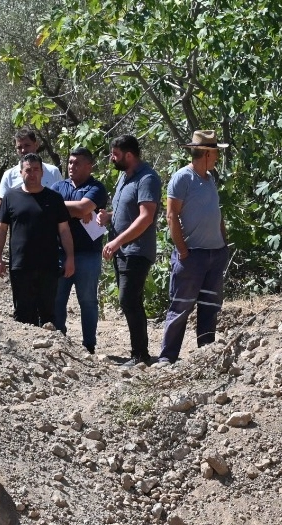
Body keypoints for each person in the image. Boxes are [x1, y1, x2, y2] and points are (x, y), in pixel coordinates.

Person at [159, 130, 230, 363]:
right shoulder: (182, 178)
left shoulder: (210, 179)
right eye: (215, 152)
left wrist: (224, 243)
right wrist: (182, 250)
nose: (217, 157)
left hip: (215, 254)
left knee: (210, 306)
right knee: (181, 307)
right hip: (192, 256)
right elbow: (171, 215)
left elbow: (217, 213)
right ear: (207, 154)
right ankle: (167, 358)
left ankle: (205, 356)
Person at [99, 135, 161, 367]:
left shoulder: (147, 179)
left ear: (129, 155)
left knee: (129, 299)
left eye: (115, 154)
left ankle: (140, 355)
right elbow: (126, 212)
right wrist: (108, 217)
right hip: (123, 251)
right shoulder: (124, 178)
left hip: (137, 250)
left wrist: (117, 242)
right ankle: (139, 353)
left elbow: (145, 217)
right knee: (129, 301)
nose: (111, 158)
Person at [0, 153, 74, 326]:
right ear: (21, 173)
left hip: (49, 266)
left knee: (48, 314)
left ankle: (48, 343)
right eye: (28, 170)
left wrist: (70, 258)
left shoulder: (54, 198)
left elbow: (64, 230)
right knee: (23, 314)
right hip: (20, 265)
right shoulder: (10, 197)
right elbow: (1, 229)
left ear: (42, 172)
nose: (32, 174)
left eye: (36, 169)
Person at [54, 147, 109, 353]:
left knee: (87, 300)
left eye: (77, 163)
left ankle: (89, 345)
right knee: (57, 298)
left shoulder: (97, 188)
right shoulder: (59, 186)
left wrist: (79, 209)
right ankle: (58, 340)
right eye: (70, 162)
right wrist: (77, 208)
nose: (72, 166)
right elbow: (52, 206)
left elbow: (82, 209)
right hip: (60, 252)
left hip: (88, 253)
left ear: (89, 166)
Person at [0, 128, 63, 203]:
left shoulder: (53, 172)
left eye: (27, 145)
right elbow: (0, 203)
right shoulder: (9, 175)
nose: (23, 150)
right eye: (19, 147)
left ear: (36, 145)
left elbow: (63, 199)